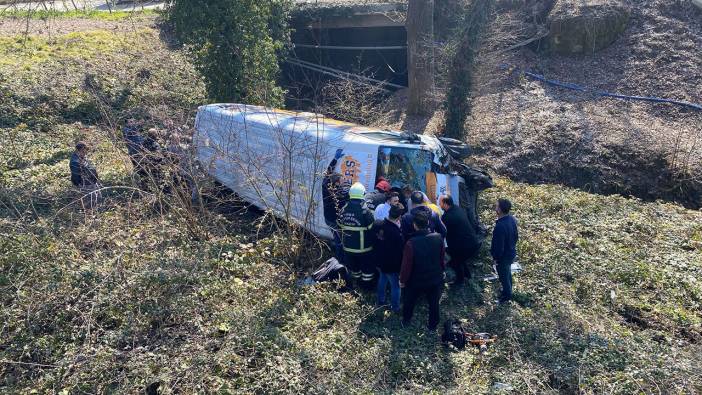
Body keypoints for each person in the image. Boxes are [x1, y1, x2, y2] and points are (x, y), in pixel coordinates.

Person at [400, 211, 445, 330]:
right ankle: (432, 326)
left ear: (414, 225)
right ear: (428, 223)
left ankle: (406, 321)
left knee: (409, 301)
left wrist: (403, 280)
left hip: (416, 280)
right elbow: (441, 257)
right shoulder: (438, 237)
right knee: (434, 303)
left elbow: (406, 265)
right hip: (435, 277)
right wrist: (442, 270)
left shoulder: (411, 243)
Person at [338, 182, 375, 289]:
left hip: (348, 247)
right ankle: (366, 289)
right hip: (364, 249)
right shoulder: (365, 211)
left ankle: (356, 285)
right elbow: (372, 228)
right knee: (367, 270)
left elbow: (339, 224)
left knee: (354, 269)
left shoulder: (344, 209)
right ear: (363, 194)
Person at [440, 194, 481, 286]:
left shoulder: (447, 217)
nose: (439, 205)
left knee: (455, 262)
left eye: (440, 203)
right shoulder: (457, 209)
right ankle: (467, 275)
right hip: (472, 242)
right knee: (460, 259)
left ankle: (460, 281)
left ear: (445, 204)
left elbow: (442, 232)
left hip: (465, 245)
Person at [374, 203, 405, 312]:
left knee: (382, 280)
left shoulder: (380, 224)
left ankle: (380, 301)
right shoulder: (397, 233)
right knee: (395, 286)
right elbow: (401, 251)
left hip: (382, 261)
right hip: (393, 264)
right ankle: (395, 307)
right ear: (399, 217)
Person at [322, 149, 349, 261]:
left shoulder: (326, 185)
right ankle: (340, 261)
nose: (344, 180)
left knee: (337, 239)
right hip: (334, 220)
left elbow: (327, 173)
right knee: (340, 242)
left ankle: (339, 258)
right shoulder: (338, 194)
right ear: (337, 183)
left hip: (328, 218)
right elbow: (346, 198)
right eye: (342, 180)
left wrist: (335, 159)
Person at [491, 198, 519, 304]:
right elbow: (516, 236)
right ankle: (508, 291)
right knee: (507, 273)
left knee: (503, 276)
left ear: (500, 210)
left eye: (496, 206)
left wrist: (495, 258)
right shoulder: (511, 219)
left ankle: (506, 297)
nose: (495, 208)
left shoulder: (500, 226)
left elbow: (499, 247)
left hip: (503, 257)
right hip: (511, 252)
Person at [69, 141, 102, 208]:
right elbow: (75, 176)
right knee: (90, 203)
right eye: (83, 151)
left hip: (91, 182)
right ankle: (88, 213)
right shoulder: (75, 161)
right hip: (85, 185)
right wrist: (79, 185)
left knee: (98, 199)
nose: (85, 153)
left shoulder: (81, 157)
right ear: (79, 150)